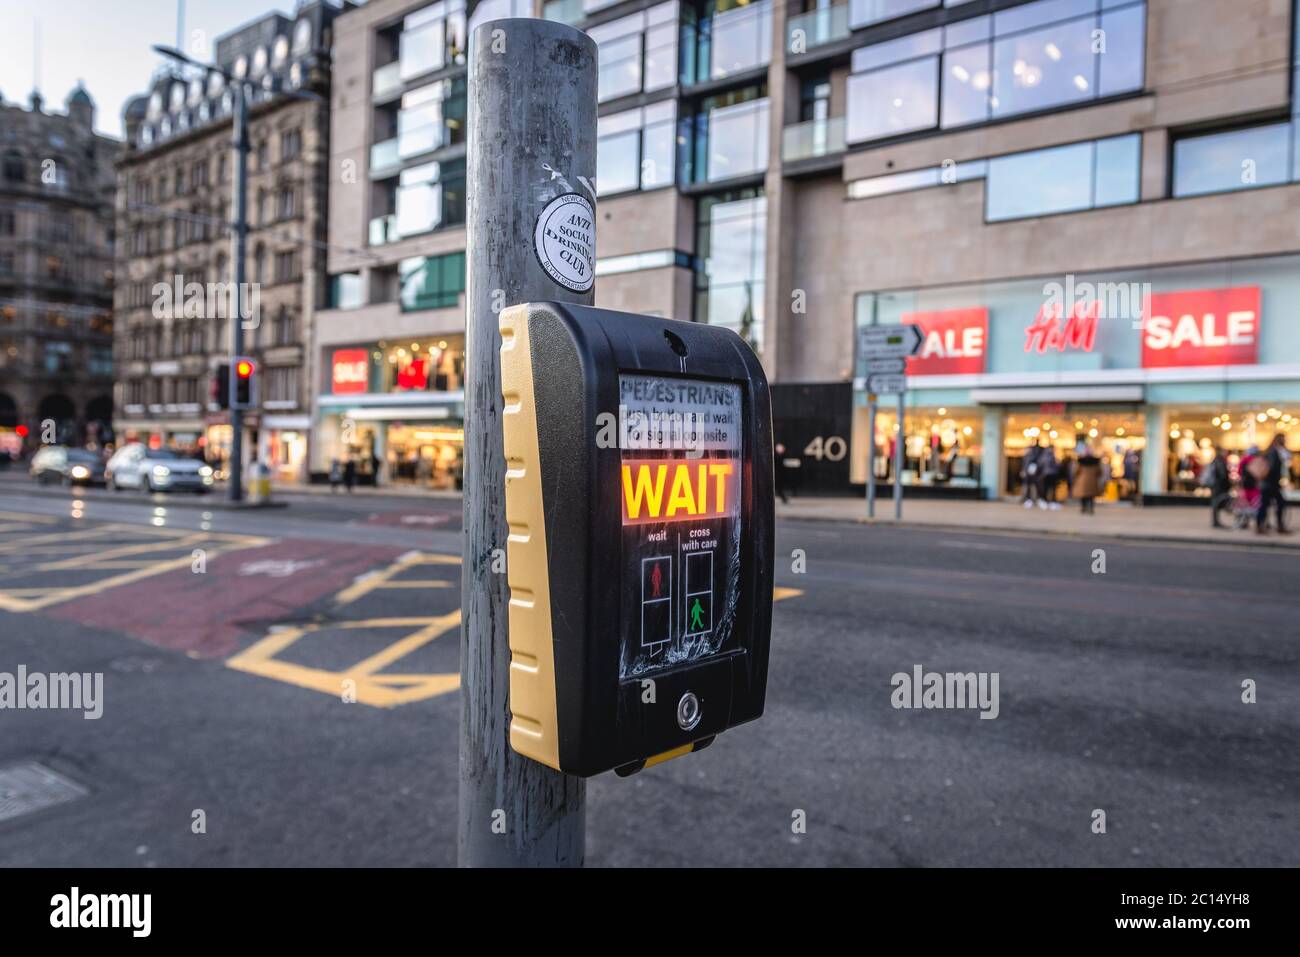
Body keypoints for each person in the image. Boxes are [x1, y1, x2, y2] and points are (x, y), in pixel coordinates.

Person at [1257, 434, 1290, 535]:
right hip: (1270, 484)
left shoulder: (1272, 451)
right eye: (1283, 439)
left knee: (1266, 505)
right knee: (1277, 504)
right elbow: (1272, 468)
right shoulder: (1274, 452)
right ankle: (1274, 526)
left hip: (1268, 484)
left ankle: (1262, 526)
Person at [1202, 447, 1233, 529]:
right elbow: (1223, 475)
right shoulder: (1220, 461)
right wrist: (1227, 484)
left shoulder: (1216, 460)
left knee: (1216, 503)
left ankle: (1216, 521)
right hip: (1219, 486)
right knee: (1217, 503)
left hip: (1216, 485)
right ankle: (1216, 522)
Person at [1073, 446, 1103, 514]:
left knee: (1083, 496)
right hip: (1092, 481)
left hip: (1082, 481)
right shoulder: (1095, 463)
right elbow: (1099, 472)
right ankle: (1091, 509)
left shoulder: (1081, 462)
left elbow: (1076, 471)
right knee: (1091, 496)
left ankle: (1084, 508)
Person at [1021, 443, 1044, 508]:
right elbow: (1025, 465)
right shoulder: (1027, 456)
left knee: (1034, 487)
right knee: (1028, 487)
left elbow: (1034, 465)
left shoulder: (1033, 456)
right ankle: (1029, 500)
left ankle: (1034, 499)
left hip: (1033, 474)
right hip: (1029, 474)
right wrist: (1023, 471)